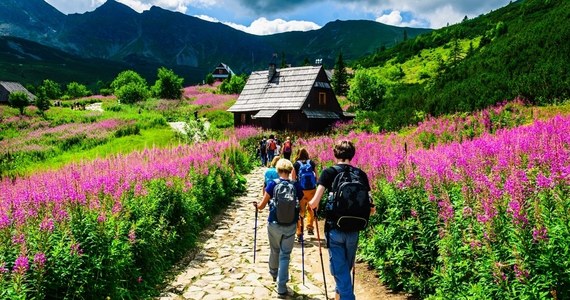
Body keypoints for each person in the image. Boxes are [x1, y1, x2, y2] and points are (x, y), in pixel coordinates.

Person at [308, 140, 375, 300]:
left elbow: (314, 203)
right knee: (345, 269)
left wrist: (310, 205)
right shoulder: (361, 174)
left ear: (335, 154)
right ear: (352, 155)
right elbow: (371, 207)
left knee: (339, 270)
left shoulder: (329, 172)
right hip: (354, 230)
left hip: (334, 229)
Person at [254, 159, 304, 297]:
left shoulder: (272, 184)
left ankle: (274, 273)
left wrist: (256, 206)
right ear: (290, 171)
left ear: (278, 170)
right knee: (285, 255)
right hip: (291, 224)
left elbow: (262, 205)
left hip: (274, 224)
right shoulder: (296, 185)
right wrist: (302, 213)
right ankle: (281, 287)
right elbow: (302, 202)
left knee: (275, 250)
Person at [291, 147, 317, 241]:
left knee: (300, 211)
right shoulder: (312, 163)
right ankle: (310, 227)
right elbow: (317, 176)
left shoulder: (296, 164)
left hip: (301, 190)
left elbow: (293, 179)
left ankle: (300, 233)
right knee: (311, 208)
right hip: (312, 190)